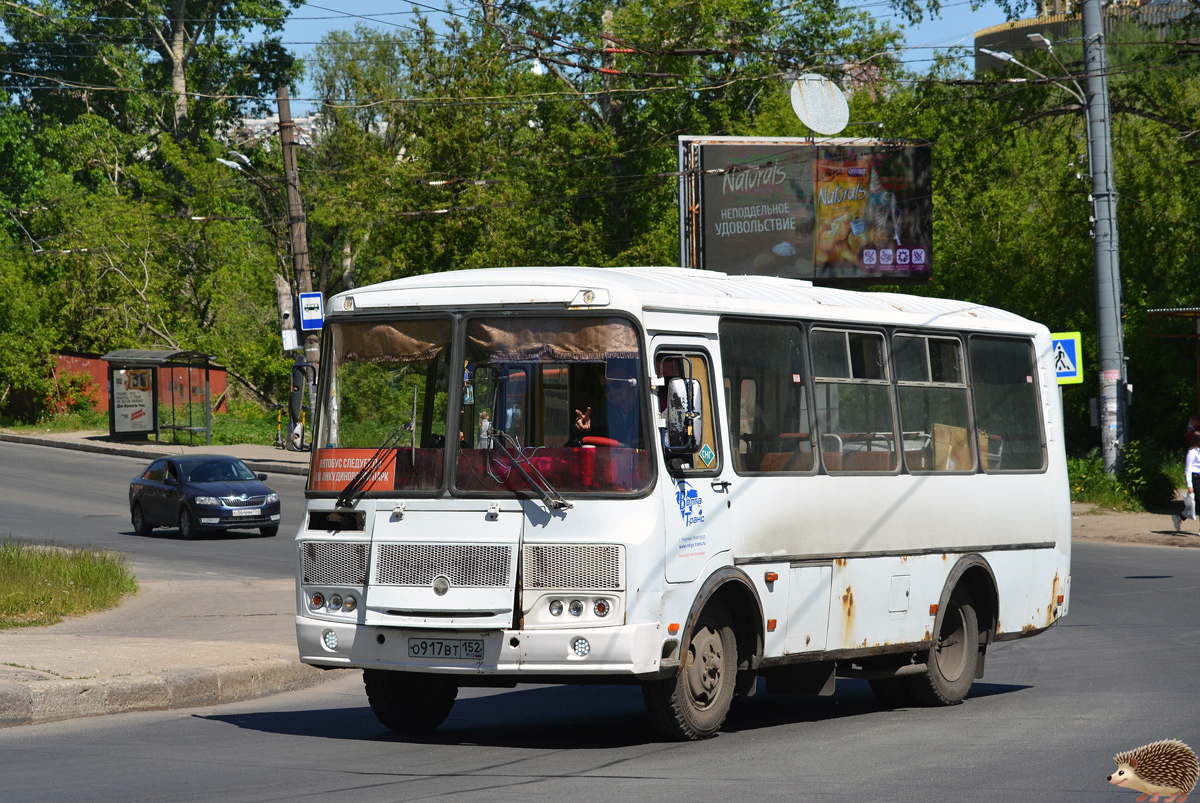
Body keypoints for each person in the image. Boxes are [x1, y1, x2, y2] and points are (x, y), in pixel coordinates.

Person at [573, 359, 642, 447]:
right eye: (606, 388)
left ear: (631, 382)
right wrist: (581, 427)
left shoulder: (646, 407)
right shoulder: (603, 410)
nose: (612, 392)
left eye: (616, 384)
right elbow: (585, 431)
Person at [1173, 432, 1200, 532]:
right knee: (1197, 503)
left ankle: (1179, 518)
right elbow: (1188, 469)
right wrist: (1190, 485)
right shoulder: (1192, 452)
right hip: (1195, 478)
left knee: (1195, 506)